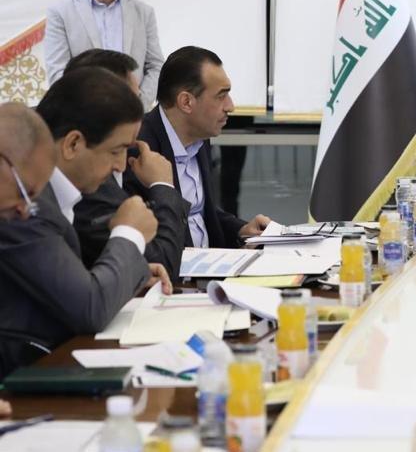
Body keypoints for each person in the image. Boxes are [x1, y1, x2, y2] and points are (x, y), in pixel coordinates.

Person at [0, 71, 170, 378]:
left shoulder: (36, 189)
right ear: (73, 144)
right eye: (116, 151)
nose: (121, 165)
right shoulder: (20, 200)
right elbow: (89, 307)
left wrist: (128, 273)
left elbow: (67, 283)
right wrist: (129, 234)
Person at [64, 50, 192, 279]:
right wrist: (163, 185)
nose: (120, 165)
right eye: (131, 102)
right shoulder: (89, 182)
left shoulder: (134, 153)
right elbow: (162, 263)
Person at [128, 46, 268, 248]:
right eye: (221, 96)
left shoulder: (199, 137)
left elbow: (200, 212)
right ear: (186, 102)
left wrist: (241, 230)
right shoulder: (139, 149)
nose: (230, 106)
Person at [43, 0, 164, 106]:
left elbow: (155, 65)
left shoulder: (143, 13)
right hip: (83, 113)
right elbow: (57, 72)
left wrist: (138, 103)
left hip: (133, 112)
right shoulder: (61, 13)